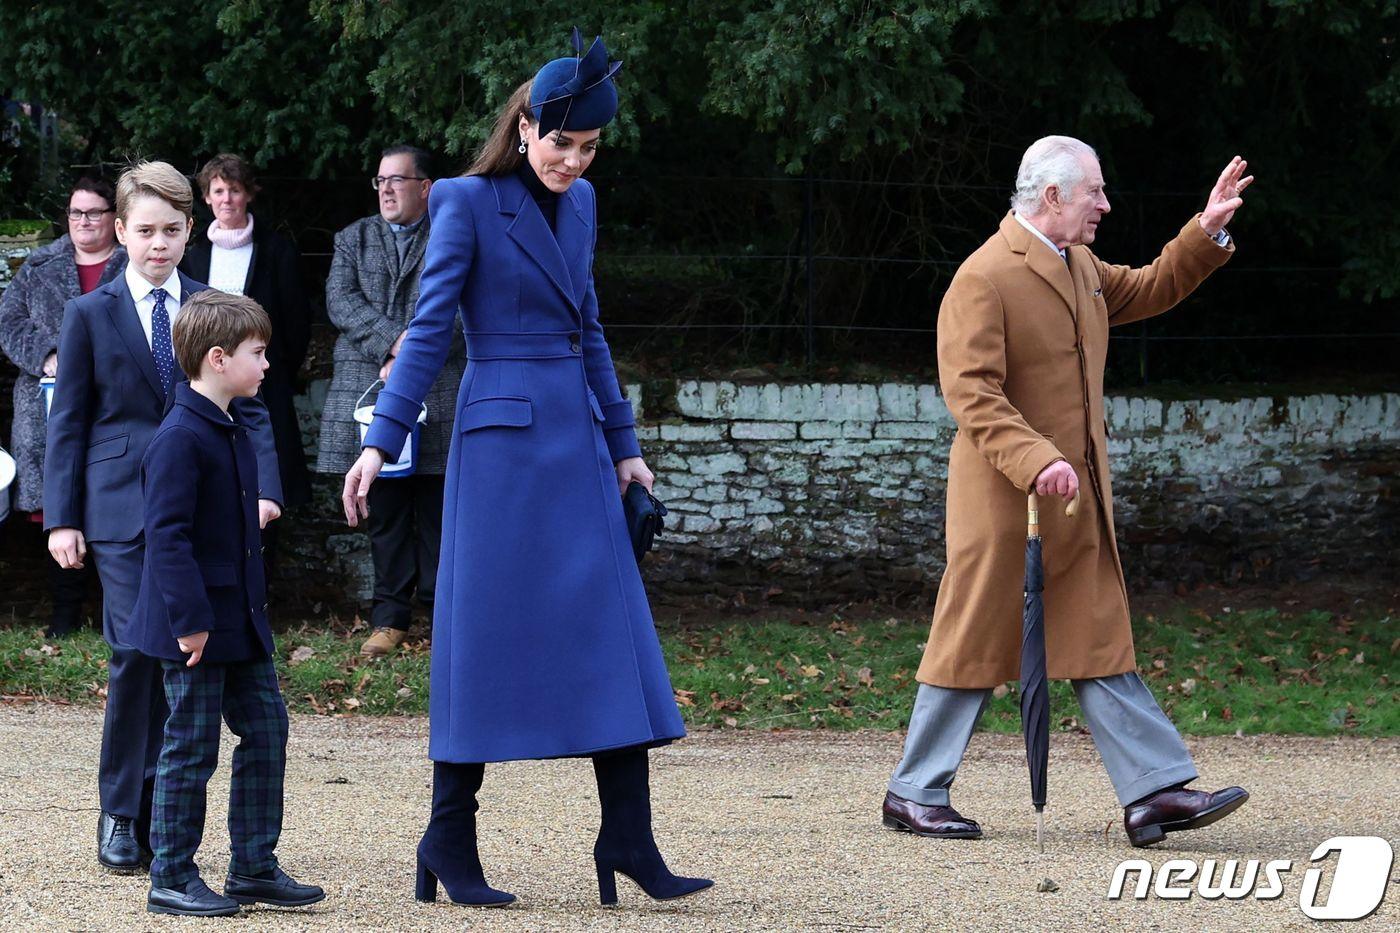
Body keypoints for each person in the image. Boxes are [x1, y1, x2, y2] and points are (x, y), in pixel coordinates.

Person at [342, 31, 712, 907]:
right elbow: (430, 331)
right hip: (500, 445)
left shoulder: (582, 205)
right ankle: (449, 833)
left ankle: (628, 836)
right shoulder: (464, 201)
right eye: (561, 143)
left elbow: (590, 329)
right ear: (525, 126)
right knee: (483, 636)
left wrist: (626, 447)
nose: (573, 162)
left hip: (577, 445)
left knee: (608, 633)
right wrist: (380, 440)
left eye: (588, 148)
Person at [883, 137, 1254, 848]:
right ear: (1052, 196)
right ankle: (913, 791)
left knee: (1098, 636)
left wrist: (1205, 232)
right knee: (971, 643)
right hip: (1005, 503)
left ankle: (1154, 790)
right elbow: (973, 395)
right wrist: (1037, 458)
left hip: (1074, 502)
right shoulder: (984, 276)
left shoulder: (1079, 264)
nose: (1106, 206)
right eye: (1096, 193)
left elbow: (1149, 287)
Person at [44, 161, 283, 873]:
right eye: (144, 230)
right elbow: (71, 423)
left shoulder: (211, 303)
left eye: (172, 230)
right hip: (119, 508)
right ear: (118, 231)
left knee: (191, 655)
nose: (158, 244)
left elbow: (252, 401)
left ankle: (168, 817)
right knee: (136, 655)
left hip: (205, 508)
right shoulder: (90, 312)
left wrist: (263, 485)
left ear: (190, 231)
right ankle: (122, 810)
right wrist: (63, 517)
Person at [133, 290, 322, 917]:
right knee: (191, 746)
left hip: (239, 621)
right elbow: (167, 538)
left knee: (267, 731)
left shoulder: (231, 424)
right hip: (194, 627)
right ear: (218, 358)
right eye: (258, 353)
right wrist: (190, 624)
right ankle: (172, 875)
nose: (267, 364)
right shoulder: (180, 436)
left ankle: (253, 868)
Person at [317, 144, 465, 658]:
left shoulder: (454, 232)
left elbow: (464, 309)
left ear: (426, 187)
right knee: (386, 508)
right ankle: (390, 619)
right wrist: (393, 343)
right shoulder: (352, 238)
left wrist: (412, 354)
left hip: (441, 386)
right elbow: (341, 301)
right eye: (379, 179)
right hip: (369, 386)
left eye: (397, 180)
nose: (385, 188)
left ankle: (443, 617)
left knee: (439, 507)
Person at [0, 176, 125, 636]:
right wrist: (48, 356)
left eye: (94, 212)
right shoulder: (40, 264)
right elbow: (7, 321)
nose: (84, 222)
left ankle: (117, 617)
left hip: (115, 404)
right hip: (46, 404)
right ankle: (65, 618)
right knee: (56, 507)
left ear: (115, 217)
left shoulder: (134, 263)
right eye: (76, 213)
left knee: (111, 503)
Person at [182, 154, 312, 560]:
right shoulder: (191, 254)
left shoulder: (276, 251)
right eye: (218, 190)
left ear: (249, 194)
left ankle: (261, 584)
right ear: (205, 198)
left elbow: (296, 321)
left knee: (264, 476)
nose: (227, 199)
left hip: (264, 383)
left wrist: (274, 372)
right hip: (204, 386)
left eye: (234, 190)